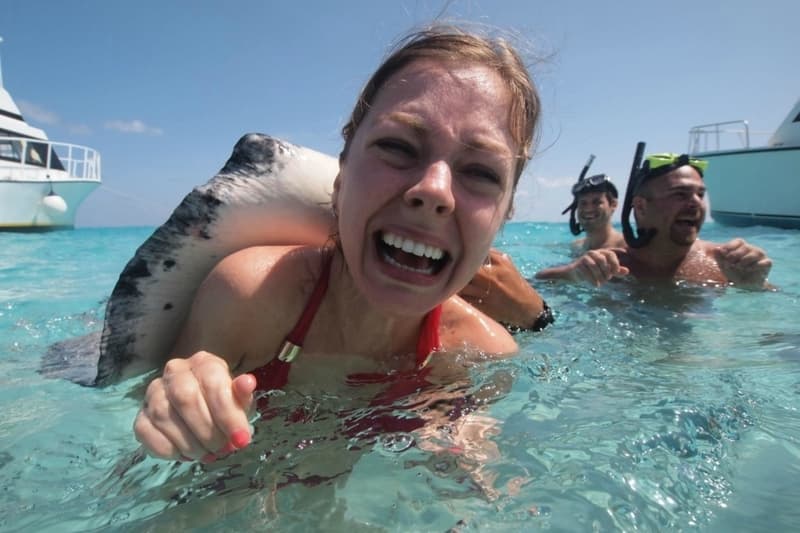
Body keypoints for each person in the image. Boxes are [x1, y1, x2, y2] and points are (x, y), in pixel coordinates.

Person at [133, 25, 542, 463]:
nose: (435, 190)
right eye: (398, 146)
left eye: (481, 173)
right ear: (342, 174)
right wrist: (179, 405)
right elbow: (160, 455)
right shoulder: (252, 297)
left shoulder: (481, 358)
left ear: (503, 216)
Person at [535, 145, 773, 289]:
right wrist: (573, 273)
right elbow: (537, 283)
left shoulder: (724, 263)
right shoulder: (616, 266)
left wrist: (756, 286)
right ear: (640, 207)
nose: (695, 203)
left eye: (700, 194)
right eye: (680, 194)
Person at [562, 172, 625, 254]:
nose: (588, 209)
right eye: (583, 203)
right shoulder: (576, 247)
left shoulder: (625, 247)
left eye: (596, 202)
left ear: (613, 204)